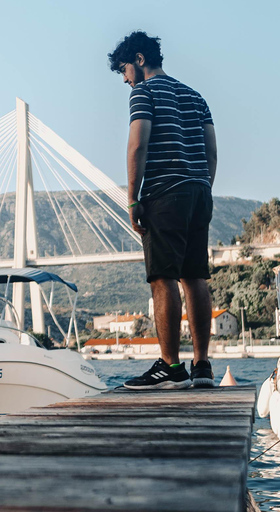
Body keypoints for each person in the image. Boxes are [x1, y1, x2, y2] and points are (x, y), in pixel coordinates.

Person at [108, 31, 218, 389]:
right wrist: (201, 188)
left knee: (163, 278)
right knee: (195, 276)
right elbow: (211, 152)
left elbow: (138, 144)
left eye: (124, 70)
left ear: (139, 60)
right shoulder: (196, 96)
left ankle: (170, 368)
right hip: (199, 191)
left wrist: (133, 198)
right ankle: (202, 366)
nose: (125, 80)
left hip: (164, 193)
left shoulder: (144, 92)